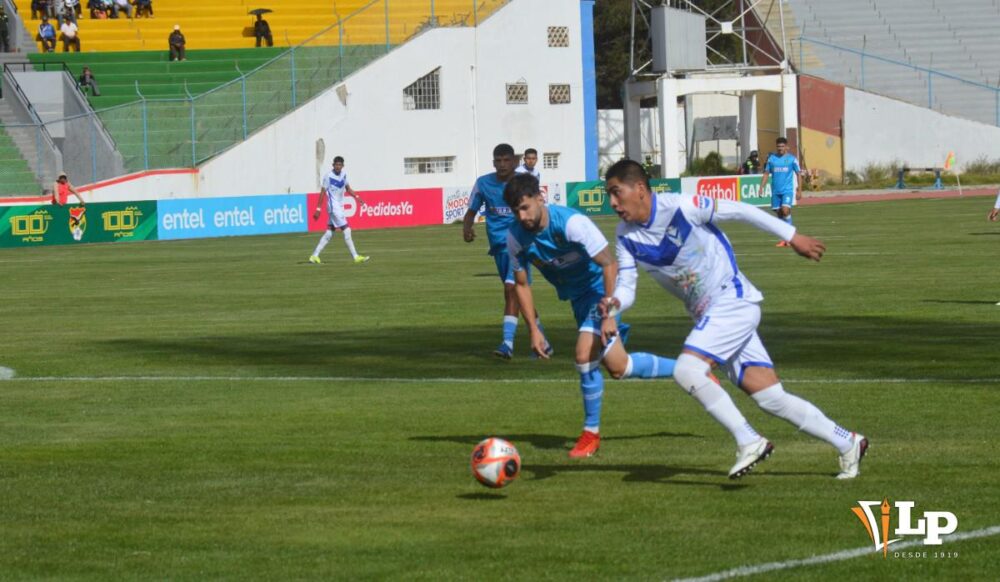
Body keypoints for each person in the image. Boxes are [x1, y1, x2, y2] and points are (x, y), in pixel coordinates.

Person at [602, 159, 869, 480]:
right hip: (713, 314)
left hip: (732, 300)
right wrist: (615, 303)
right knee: (771, 397)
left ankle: (749, 439)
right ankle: (848, 442)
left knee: (688, 369)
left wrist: (793, 235)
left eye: (617, 193)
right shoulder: (625, 235)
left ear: (640, 189)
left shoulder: (682, 208)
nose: (613, 203)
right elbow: (628, 285)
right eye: (609, 196)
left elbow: (741, 210)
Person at [504, 173, 678, 458]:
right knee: (619, 367)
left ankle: (590, 435)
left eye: (525, 207)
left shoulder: (572, 224)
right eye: (516, 211)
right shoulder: (515, 237)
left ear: (540, 198)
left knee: (584, 356)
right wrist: (534, 329)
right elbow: (521, 284)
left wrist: (609, 313)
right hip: (579, 300)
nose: (521, 216)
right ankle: (692, 369)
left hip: (603, 291)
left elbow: (610, 265)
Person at [463, 143, 551, 360]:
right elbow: (471, 210)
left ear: (514, 161)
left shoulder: (522, 184)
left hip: (521, 243)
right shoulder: (483, 183)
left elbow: (539, 209)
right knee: (520, 295)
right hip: (499, 248)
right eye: (498, 160)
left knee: (512, 289)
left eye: (506, 160)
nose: (502, 164)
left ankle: (507, 344)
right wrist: (467, 227)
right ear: (493, 162)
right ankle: (543, 342)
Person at [309, 156, 371, 265]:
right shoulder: (328, 176)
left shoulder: (343, 175)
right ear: (333, 165)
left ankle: (314, 255)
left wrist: (357, 197)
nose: (338, 166)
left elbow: (348, 188)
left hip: (339, 206)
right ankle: (356, 257)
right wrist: (318, 208)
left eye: (340, 165)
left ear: (342, 166)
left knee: (329, 233)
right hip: (333, 207)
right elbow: (323, 192)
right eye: (336, 164)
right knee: (347, 230)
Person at [759, 137, 801, 247]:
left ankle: (790, 237)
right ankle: (785, 238)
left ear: (786, 147)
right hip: (775, 191)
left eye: (782, 146)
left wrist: (799, 190)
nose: (780, 149)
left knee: (785, 210)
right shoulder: (772, 159)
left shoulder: (792, 159)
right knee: (780, 214)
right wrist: (761, 187)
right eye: (778, 147)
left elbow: (798, 174)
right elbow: (766, 173)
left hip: (787, 190)